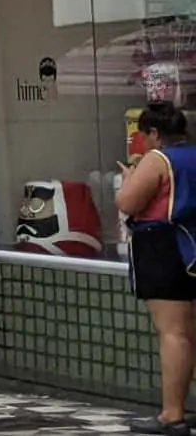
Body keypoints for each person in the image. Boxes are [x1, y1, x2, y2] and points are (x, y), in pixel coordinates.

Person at [117, 101, 196, 435]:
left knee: (174, 333)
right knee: (192, 332)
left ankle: (171, 415)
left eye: (144, 134)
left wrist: (129, 177)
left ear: (154, 133)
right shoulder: (193, 156)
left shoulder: (157, 159)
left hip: (164, 248)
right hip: (192, 245)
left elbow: (127, 203)